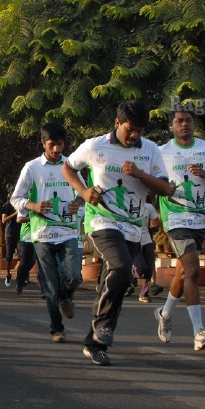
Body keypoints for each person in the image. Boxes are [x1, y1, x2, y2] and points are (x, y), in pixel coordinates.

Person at [64, 102, 173, 364]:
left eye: (138, 130)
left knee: (115, 282)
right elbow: (68, 167)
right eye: (129, 129)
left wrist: (139, 174)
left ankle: (94, 343)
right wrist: (84, 192)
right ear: (117, 123)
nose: (134, 135)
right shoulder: (95, 146)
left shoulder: (150, 150)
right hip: (102, 221)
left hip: (134, 226)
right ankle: (103, 326)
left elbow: (164, 188)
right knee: (122, 267)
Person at [155, 108, 205, 350]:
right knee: (193, 271)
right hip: (175, 219)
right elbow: (148, 182)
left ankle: (164, 313)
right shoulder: (160, 152)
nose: (184, 124)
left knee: (182, 274)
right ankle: (199, 332)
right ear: (171, 126)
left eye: (188, 120)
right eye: (179, 121)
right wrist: (158, 197)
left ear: (194, 123)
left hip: (199, 220)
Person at [13, 122, 85, 344]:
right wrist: (33, 206)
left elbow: (83, 193)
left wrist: (78, 202)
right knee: (50, 286)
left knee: (74, 276)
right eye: (52, 145)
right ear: (43, 143)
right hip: (42, 235)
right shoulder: (32, 167)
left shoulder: (71, 166)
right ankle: (56, 329)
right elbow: (16, 198)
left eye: (60, 144)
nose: (56, 150)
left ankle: (66, 296)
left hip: (68, 231)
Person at [133, 198, 161, 303]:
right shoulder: (128, 204)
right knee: (140, 269)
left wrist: (155, 224)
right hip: (134, 240)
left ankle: (144, 294)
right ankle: (131, 274)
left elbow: (157, 222)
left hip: (147, 240)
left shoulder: (148, 207)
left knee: (149, 268)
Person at [0, 201, 21, 287]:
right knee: (9, 257)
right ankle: (8, 274)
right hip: (10, 234)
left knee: (23, 256)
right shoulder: (7, 205)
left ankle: (22, 277)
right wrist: (15, 213)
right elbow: (4, 220)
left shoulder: (23, 203)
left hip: (22, 234)